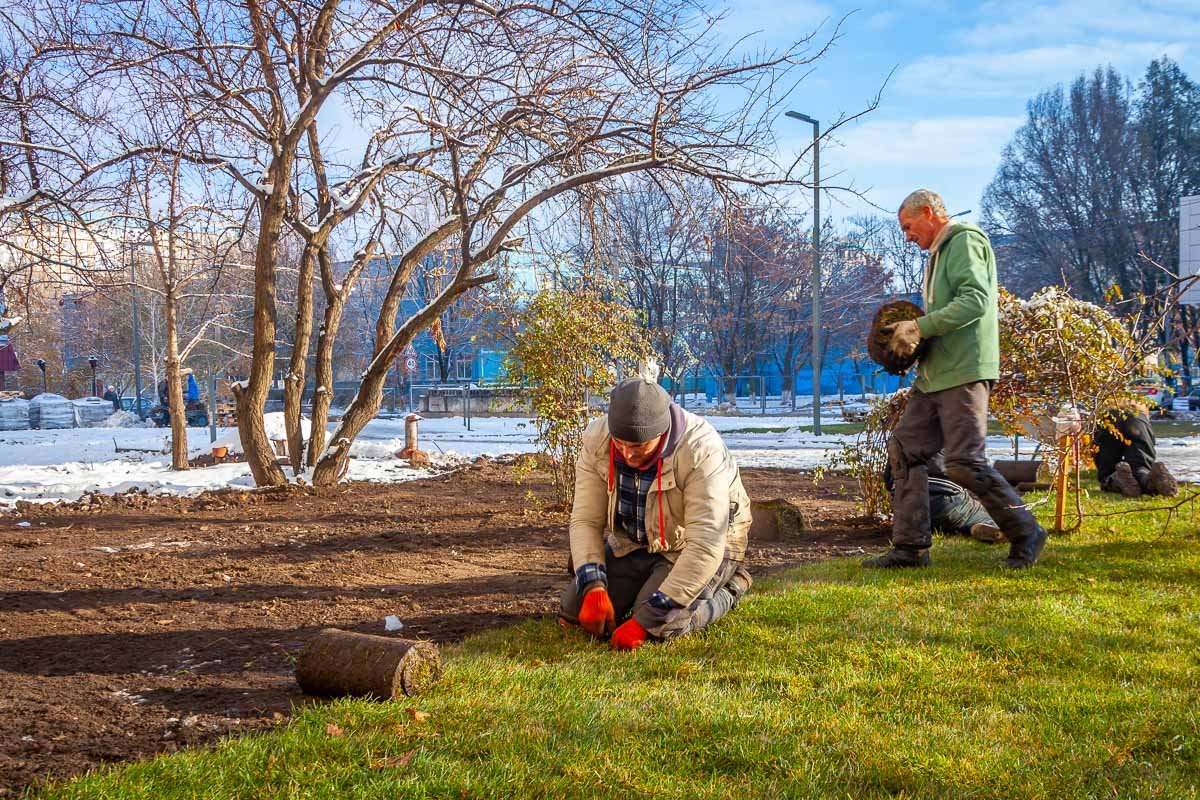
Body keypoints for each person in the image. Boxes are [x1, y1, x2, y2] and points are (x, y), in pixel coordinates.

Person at [868, 188, 1048, 569]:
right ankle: (910, 548)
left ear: (929, 213)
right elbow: (946, 314)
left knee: (965, 462)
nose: (907, 235)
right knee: (906, 450)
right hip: (935, 375)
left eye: (908, 226)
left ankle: (1026, 531)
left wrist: (918, 326)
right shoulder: (937, 255)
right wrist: (913, 346)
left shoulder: (965, 241)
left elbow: (975, 301)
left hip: (965, 372)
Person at [559, 377, 754, 650]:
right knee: (573, 611)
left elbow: (706, 542)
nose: (627, 454)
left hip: (698, 545)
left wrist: (645, 622)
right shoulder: (597, 439)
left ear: (661, 434)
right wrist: (593, 587)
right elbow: (585, 521)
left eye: (638, 447)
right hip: (634, 541)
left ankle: (731, 587)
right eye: (620, 443)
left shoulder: (700, 449)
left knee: (660, 625)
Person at [884, 451, 1003, 542]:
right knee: (980, 513)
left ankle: (916, 526)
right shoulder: (953, 433)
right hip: (946, 502)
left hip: (908, 507)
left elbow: (888, 481)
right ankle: (981, 526)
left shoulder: (903, 432)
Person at [1093, 403, 1178, 498]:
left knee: (1107, 472)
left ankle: (1118, 478)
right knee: (1140, 467)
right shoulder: (1139, 406)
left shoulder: (1104, 407)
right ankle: (1152, 479)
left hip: (1109, 420)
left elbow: (1102, 457)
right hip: (1138, 419)